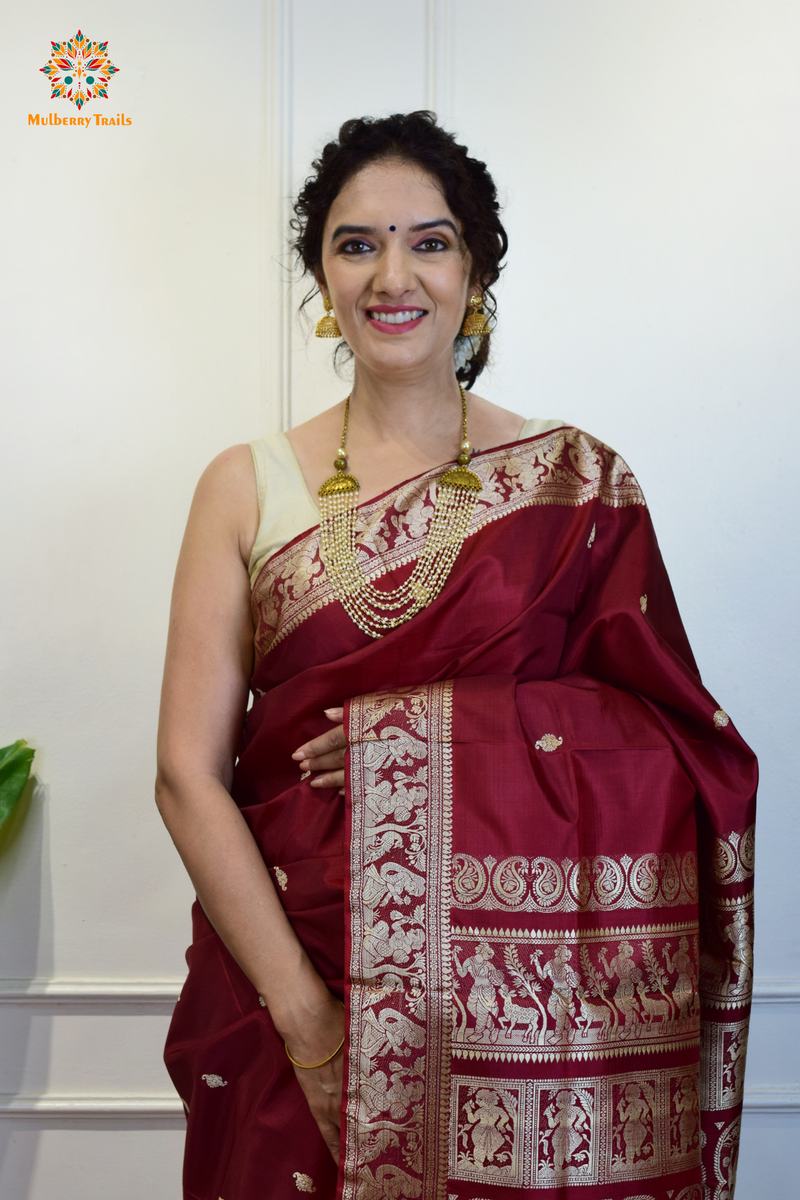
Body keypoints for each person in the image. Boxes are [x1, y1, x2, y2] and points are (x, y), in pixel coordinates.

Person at [156, 112, 757, 1200]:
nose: (393, 275)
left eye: (428, 242)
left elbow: (677, 751)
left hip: (525, 1032)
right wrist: (309, 1026)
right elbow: (185, 775)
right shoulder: (243, 485)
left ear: (474, 268)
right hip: (296, 977)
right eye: (355, 244)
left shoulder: (577, 484)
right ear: (321, 278)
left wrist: (440, 738)